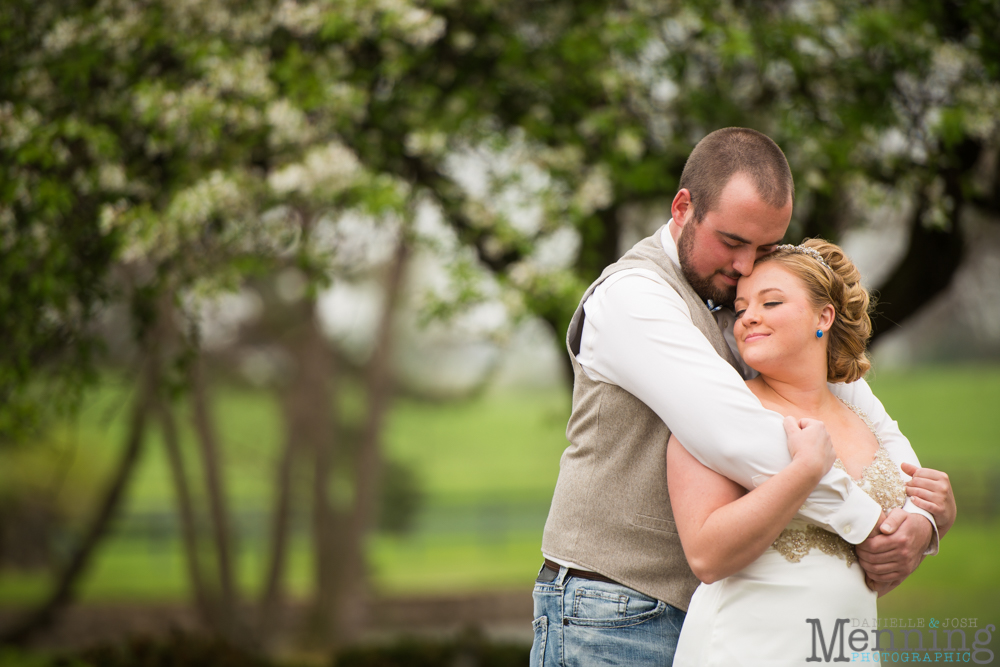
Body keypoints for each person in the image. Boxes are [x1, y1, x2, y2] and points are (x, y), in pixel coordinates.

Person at [531, 128, 940, 667]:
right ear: (683, 208)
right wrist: (874, 528)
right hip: (613, 610)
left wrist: (923, 517)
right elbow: (738, 436)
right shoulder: (632, 297)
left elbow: (855, 406)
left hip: (728, 616)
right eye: (732, 242)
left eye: (765, 247)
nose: (747, 265)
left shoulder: (748, 300)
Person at [668, 240, 956, 665]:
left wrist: (935, 519)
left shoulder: (862, 414)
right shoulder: (724, 412)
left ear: (824, 316)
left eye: (771, 302)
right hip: (747, 649)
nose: (748, 317)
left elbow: (906, 517)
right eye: (742, 307)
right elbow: (706, 556)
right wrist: (803, 472)